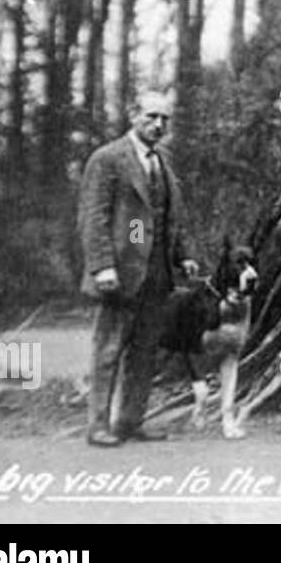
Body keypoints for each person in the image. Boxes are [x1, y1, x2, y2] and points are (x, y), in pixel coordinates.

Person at [78, 91, 197, 446]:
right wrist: (101, 266)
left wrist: (184, 256)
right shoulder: (107, 159)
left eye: (164, 119)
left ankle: (131, 421)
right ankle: (98, 425)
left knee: (145, 353)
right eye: (151, 116)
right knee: (108, 351)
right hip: (120, 274)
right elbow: (93, 217)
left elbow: (173, 217)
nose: (158, 125)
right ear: (133, 115)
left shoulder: (163, 162)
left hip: (157, 276)